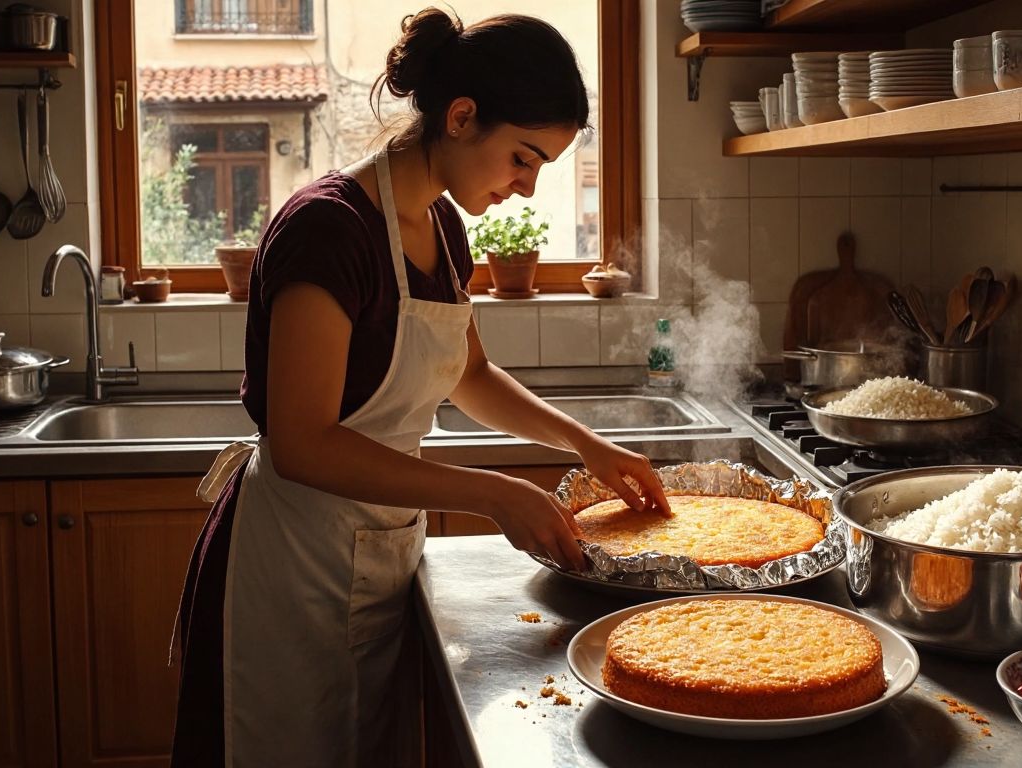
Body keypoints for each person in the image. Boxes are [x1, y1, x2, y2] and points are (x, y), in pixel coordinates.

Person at [169, 8, 670, 766]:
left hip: (378, 549)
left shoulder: (441, 226)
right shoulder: (328, 229)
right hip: (293, 565)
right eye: (523, 159)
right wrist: (494, 493)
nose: (527, 189)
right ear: (462, 116)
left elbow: (469, 374)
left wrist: (585, 444)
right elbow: (304, 444)